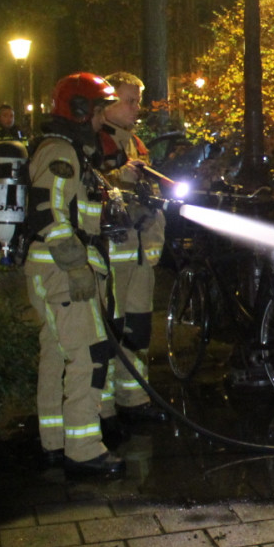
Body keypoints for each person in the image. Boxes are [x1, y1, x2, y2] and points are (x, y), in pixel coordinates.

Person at [22, 72, 125, 477]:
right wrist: (76, 265)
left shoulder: (69, 150)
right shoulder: (60, 152)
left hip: (52, 270)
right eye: (99, 110)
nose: (103, 118)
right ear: (80, 110)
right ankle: (83, 450)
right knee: (88, 354)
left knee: (56, 354)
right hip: (61, 272)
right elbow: (47, 212)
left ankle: (55, 441)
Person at [95, 72, 169, 427]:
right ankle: (103, 409)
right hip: (112, 256)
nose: (136, 108)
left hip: (139, 254)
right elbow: (90, 190)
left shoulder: (134, 143)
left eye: (137, 101)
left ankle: (135, 398)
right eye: (129, 101)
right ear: (108, 103)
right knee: (109, 330)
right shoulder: (96, 142)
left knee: (138, 330)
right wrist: (120, 177)